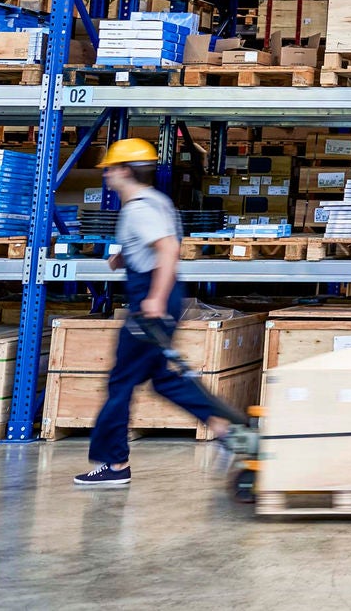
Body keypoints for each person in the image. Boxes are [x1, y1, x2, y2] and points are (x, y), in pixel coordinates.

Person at [73, 138, 228, 489]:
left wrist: (155, 300)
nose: (107, 174)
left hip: (152, 300)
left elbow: (168, 248)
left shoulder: (139, 207)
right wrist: (124, 256)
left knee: (121, 381)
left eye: (111, 168)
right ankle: (223, 428)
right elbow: (156, 243)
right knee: (163, 377)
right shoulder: (156, 201)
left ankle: (114, 464)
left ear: (125, 170)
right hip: (162, 296)